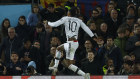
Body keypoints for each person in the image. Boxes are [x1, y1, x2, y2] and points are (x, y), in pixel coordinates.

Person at [45, 7, 96, 79]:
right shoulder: (79, 20)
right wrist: (93, 36)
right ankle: (85, 75)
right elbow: (86, 28)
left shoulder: (65, 18)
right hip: (75, 43)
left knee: (59, 50)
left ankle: (55, 67)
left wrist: (48, 22)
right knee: (68, 63)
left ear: (69, 13)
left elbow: (55, 24)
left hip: (70, 43)